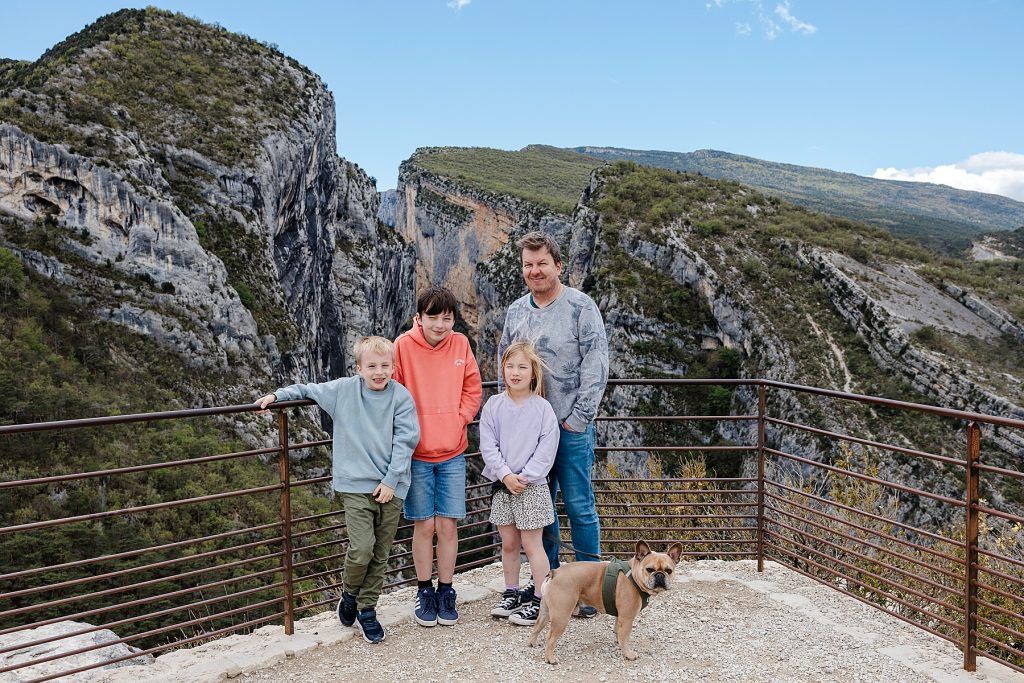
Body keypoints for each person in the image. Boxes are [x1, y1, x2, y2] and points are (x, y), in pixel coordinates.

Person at [254, 336, 419, 644]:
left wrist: (391, 480)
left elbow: (406, 440)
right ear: (359, 368)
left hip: (392, 487)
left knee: (381, 553)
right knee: (361, 549)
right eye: (371, 366)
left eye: (385, 366)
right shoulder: (343, 391)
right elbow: (306, 390)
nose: (378, 372)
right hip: (355, 485)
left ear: (394, 368)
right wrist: (277, 395)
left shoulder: (401, 398)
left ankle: (367, 609)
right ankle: (349, 593)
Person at [498, 230, 609, 617]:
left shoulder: (581, 307)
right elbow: (505, 367)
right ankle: (550, 585)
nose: (535, 271)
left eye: (542, 263)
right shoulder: (516, 312)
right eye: (528, 265)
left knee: (580, 507)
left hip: (570, 429)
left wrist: (577, 420)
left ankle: (591, 588)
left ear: (558, 265)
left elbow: (596, 363)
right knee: (538, 513)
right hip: (528, 435)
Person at [393, 286, 482, 627]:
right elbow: (394, 394)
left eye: (447, 318)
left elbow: (472, 389)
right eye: (433, 317)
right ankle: (424, 589)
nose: (441, 325)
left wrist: (459, 419)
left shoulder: (460, 344)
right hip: (417, 454)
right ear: (419, 318)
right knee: (424, 525)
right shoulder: (402, 346)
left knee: (447, 525)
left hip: (453, 452)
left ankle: (447, 589)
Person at [481, 341, 559, 626]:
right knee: (509, 543)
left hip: (532, 487)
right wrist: (505, 475)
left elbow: (547, 449)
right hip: (503, 486)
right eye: (510, 366)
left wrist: (524, 477)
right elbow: (488, 446)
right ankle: (512, 591)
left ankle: (541, 599)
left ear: (533, 373)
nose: (515, 372)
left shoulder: (542, 409)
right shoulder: (493, 406)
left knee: (533, 544)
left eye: (522, 367)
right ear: (503, 370)